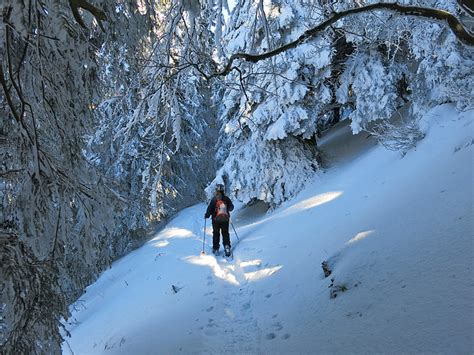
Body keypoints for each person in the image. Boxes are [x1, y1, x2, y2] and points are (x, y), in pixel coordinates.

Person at [205, 184, 234, 256]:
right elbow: (231, 208)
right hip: (225, 219)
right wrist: (227, 209)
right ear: (223, 190)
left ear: (216, 190)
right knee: (225, 233)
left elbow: (210, 209)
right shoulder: (226, 199)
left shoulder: (214, 199)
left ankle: (215, 248)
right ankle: (227, 246)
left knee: (216, 233)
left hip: (215, 220)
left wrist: (207, 215)